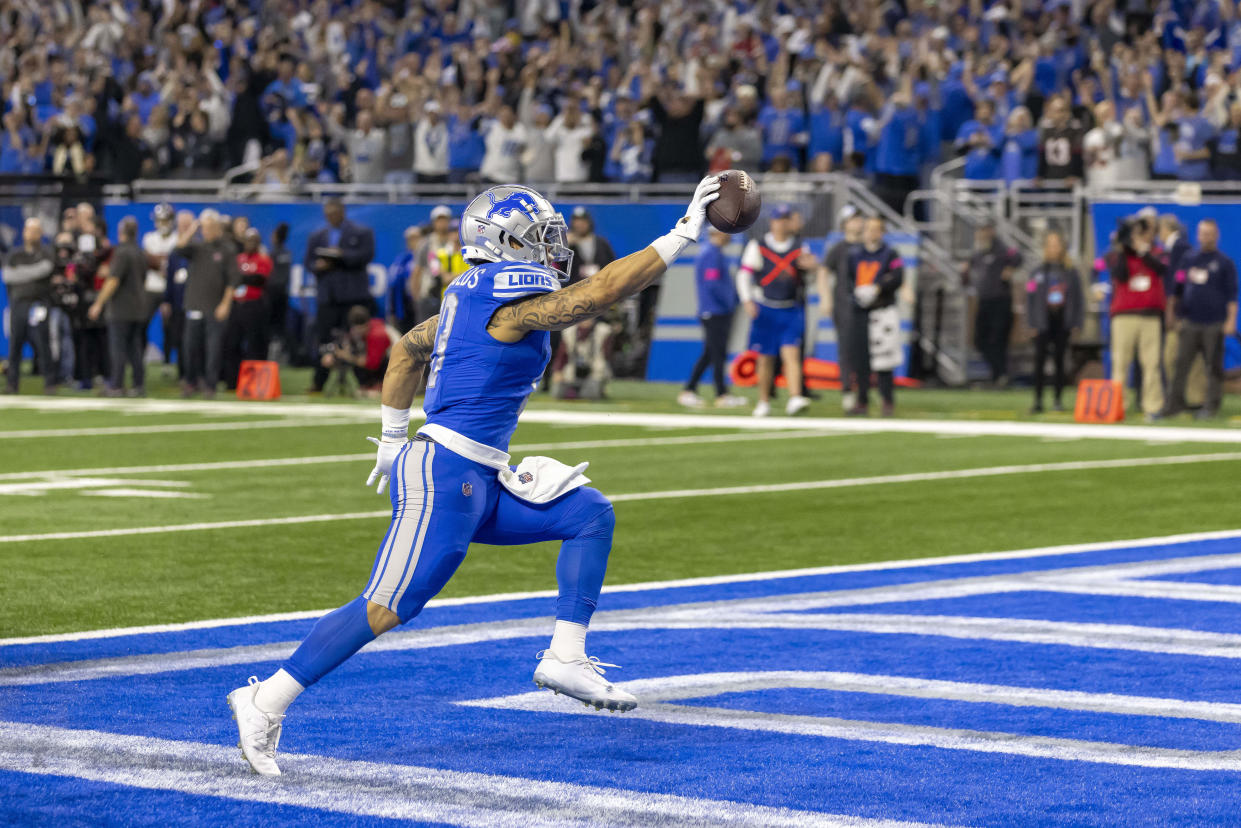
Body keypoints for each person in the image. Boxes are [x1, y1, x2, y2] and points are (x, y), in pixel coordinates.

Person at [227, 176, 723, 777]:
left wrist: (390, 438)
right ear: (504, 241)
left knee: (588, 514)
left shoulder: (470, 299)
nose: (549, 248)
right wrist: (681, 234)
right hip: (447, 470)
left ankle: (566, 656)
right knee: (387, 607)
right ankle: (265, 699)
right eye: (539, 237)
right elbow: (593, 297)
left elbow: (409, 349)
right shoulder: (509, 301)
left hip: (478, 471)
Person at [737, 204, 813, 418]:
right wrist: (747, 300)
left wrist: (812, 269)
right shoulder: (758, 246)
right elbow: (744, 274)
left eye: (785, 219)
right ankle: (763, 401)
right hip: (766, 307)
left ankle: (795, 396)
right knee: (765, 357)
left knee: (792, 354)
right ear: (772, 222)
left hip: (791, 308)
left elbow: (809, 278)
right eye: (778, 219)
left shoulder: (800, 247)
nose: (781, 224)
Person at [1162, 219, 1238, 419]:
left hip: (1213, 322)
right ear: (1197, 235)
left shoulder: (1224, 263)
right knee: (1181, 364)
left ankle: (1210, 406)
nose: (1206, 237)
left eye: (1210, 233)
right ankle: (1174, 405)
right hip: (1189, 320)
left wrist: (1231, 321)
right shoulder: (1189, 259)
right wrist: (1171, 313)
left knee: (1212, 366)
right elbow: (1176, 289)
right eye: (1203, 233)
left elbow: (1232, 295)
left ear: (1217, 235)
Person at [305, 199, 375, 392]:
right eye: (328, 214)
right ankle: (319, 382)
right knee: (324, 340)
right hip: (328, 295)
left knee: (357, 339)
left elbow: (366, 255)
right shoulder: (317, 236)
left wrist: (341, 255)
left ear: (342, 212)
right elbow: (308, 262)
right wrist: (318, 266)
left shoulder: (361, 232)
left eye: (334, 213)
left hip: (352, 295)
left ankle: (364, 381)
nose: (331, 217)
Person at [1105, 216, 1167, 421]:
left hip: (1150, 316)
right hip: (1124, 316)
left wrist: (1143, 251)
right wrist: (1125, 249)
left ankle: (1153, 407)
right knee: (1120, 364)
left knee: (1151, 364)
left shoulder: (1157, 253)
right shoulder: (1119, 255)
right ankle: (1117, 407)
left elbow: (1162, 269)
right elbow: (1119, 275)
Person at [176, 209, 240, 397]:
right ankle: (190, 382)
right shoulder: (197, 247)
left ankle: (210, 385)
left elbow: (233, 280)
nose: (207, 231)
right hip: (194, 305)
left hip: (214, 306)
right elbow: (178, 247)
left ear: (218, 227)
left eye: (210, 227)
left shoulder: (227, 249)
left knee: (213, 349)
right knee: (190, 347)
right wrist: (192, 229)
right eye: (204, 227)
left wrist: (225, 304)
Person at [846, 216, 905, 417]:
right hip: (861, 311)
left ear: (882, 232)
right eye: (869, 229)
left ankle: (887, 400)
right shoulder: (854, 254)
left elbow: (898, 276)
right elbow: (847, 279)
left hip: (882, 310)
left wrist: (879, 288)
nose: (872, 233)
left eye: (876, 229)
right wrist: (856, 295)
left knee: (884, 360)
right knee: (861, 359)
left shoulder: (890, 253)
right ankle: (862, 400)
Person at [679, 228, 744, 408]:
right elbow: (713, 284)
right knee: (717, 354)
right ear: (719, 234)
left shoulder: (713, 253)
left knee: (710, 354)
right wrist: (729, 303)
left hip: (715, 310)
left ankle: (689, 390)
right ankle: (721, 394)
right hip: (715, 311)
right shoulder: (711, 254)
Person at [88, 217, 148, 396]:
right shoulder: (140, 252)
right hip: (138, 307)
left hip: (121, 308)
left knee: (118, 348)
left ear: (121, 232)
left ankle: (116, 384)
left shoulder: (121, 252)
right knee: (135, 349)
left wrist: (98, 303)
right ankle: (138, 384)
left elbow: (113, 280)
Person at [1026, 230, 1084, 413]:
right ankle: (1038, 401)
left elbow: (1078, 298)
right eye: (1050, 244)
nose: (1053, 248)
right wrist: (1031, 323)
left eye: (1056, 244)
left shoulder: (1070, 271)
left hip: (1061, 320)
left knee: (1060, 362)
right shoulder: (1037, 271)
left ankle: (1058, 400)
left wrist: (1076, 322)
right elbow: (1030, 298)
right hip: (1043, 321)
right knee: (1040, 362)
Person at [964, 221, 1022, 387]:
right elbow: (968, 272)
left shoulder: (1002, 249)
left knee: (998, 340)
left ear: (991, 231)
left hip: (1001, 300)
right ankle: (999, 372)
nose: (982, 235)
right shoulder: (978, 254)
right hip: (984, 300)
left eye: (985, 231)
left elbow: (1018, 256)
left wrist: (1010, 268)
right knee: (979, 340)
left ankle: (1000, 375)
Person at [3, 217, 56, 394]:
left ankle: (49, 382)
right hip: (18, 304)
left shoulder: (46, 252)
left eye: (35, 231)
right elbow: (7, 276)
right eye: (28, 230)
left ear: (40, 233)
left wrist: (21, 273)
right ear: (24, 232)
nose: (31, 234)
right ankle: (12, 383)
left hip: (38, 304)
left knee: (42, 342)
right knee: (15, 343)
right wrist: (32, 273)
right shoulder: (15, 254)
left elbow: (45, 269)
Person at [822, 207, 864, 410]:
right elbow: (824, 271)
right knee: (846, 349)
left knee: (865, 351)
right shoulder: (839, 249)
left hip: (867, 306)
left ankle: (864, 391)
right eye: (853, 219)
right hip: (844, 304)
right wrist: (825, 299)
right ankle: (848, 390)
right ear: (845, 223)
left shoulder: (868, 246)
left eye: (859, 219)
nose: (858, 222)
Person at [222, 228, 272, 389]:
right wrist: (243, 278)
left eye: (254, 240)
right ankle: (232, 381)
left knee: (254, 344)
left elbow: (259, 279)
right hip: (237, 304)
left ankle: (255, 382)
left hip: (254, 304)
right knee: (232, 343)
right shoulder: (238, 258)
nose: (251, 244)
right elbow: (229, 277)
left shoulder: (263, 259)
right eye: (248, 240)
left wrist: (241, 278)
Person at [141, 203, 178, 362]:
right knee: (143, 323)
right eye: (160, 220)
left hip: (169, 289)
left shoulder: (176, 239)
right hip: (151, 288)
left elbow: (172, 263)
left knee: (169, 327)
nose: (163, 224)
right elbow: (147, 260)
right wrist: (161, 263)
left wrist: (158, 261)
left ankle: (167, 360)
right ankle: (139, 357)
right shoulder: (149, 238)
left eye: (165, 220)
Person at [387, 226, 423, 333]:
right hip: (405, 308)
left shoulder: (429, 257)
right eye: (410, 239)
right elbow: (393, 286)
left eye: (416, 238)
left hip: (422, 305)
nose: (414, 242)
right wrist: (392, 311)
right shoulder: (401, 261)